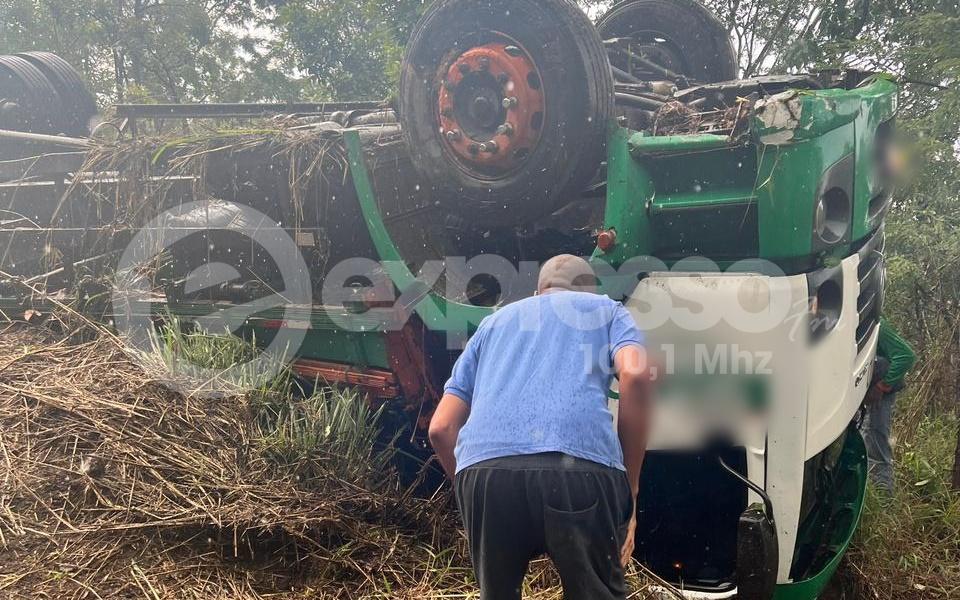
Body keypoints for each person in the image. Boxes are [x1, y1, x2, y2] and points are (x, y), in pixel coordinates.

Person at [428, 254, 652, 600]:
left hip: (485, 472)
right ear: (589, 290)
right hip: (578, 467)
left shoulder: (493, 324)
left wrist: (475, 491)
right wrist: (629, 489)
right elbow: (636, 374)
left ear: (537, 291)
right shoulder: (605, 311)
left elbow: (441, 427)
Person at [861, 317, 916, 494]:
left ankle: (883, 501)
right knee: (863, 442)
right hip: (860, 393)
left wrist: (882, 386)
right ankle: (867, 496)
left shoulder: (875, 323)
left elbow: (906, 356)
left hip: (877, 394)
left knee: (875, 445)